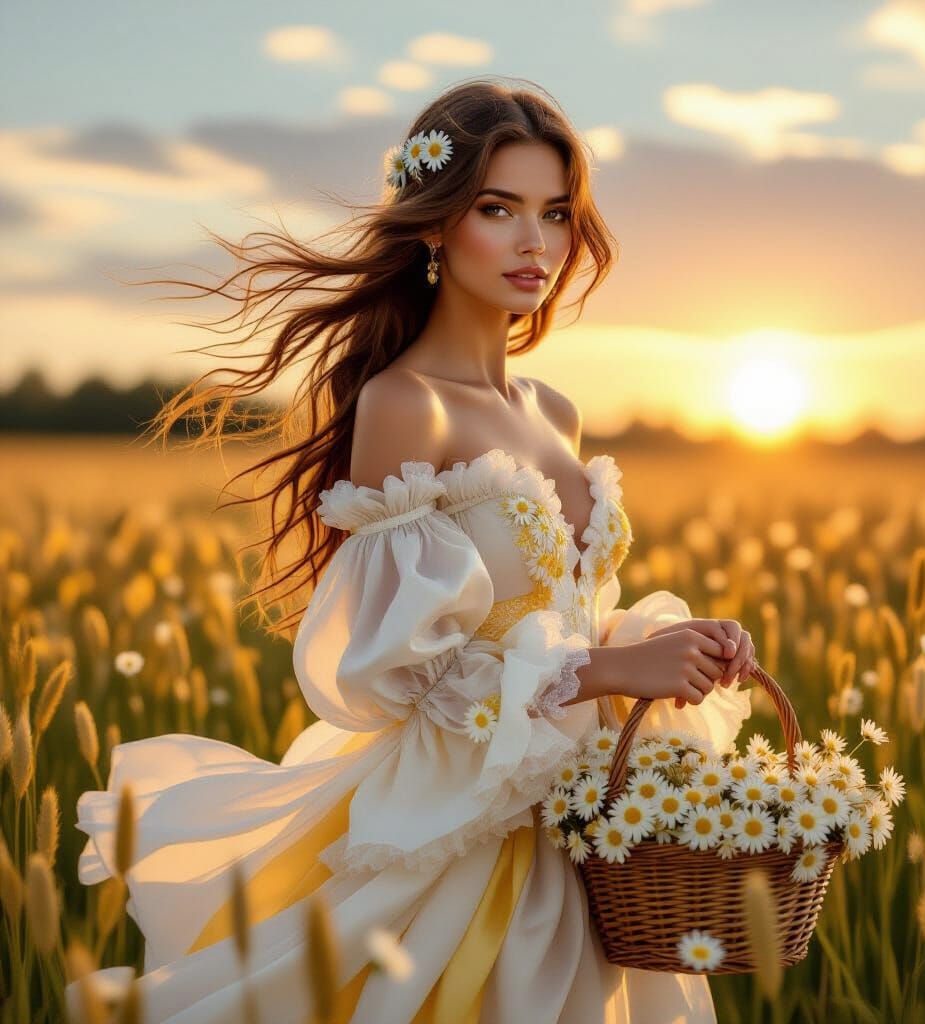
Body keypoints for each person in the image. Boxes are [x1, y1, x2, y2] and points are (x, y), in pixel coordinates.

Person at [69, 77, 758, 1023]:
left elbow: (570, 616)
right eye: (497, 209)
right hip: (470, 832)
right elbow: (421, 685)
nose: (536, 243)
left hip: (590, 827)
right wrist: (612, 668)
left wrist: (673, 649)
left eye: (556, 214)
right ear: (436, 226)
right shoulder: (405, 403)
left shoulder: (554, 410)